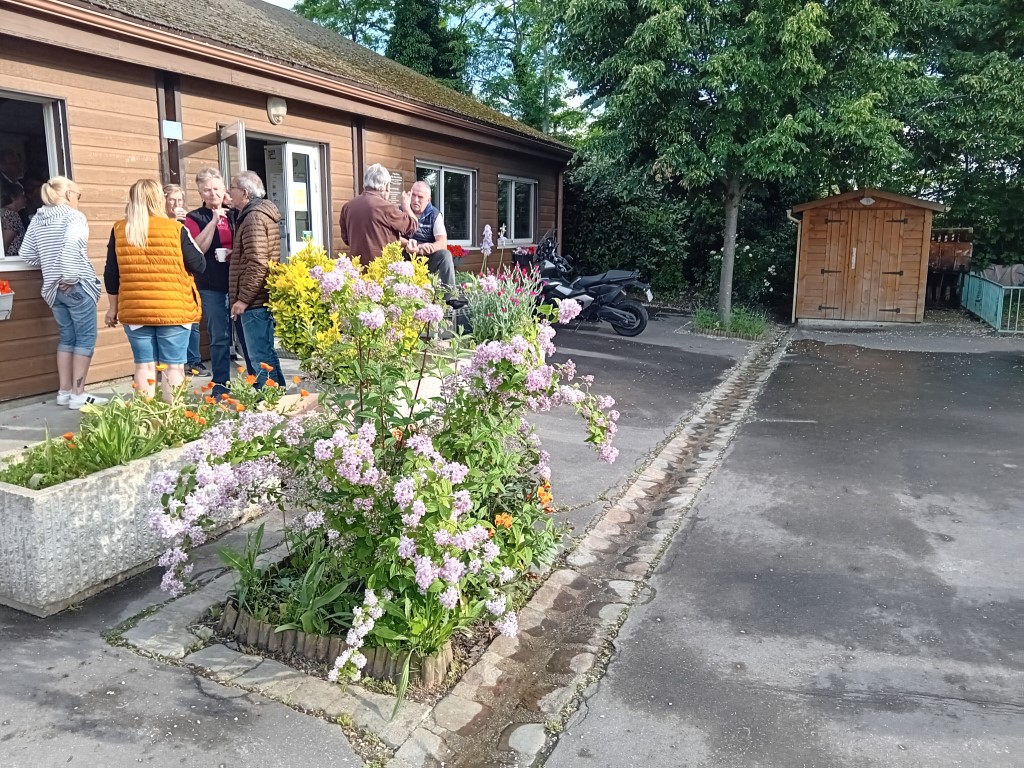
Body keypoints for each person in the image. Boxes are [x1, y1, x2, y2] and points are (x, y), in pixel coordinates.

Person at [104, 178, 206, 401]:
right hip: (174, 309)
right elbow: (199, 264)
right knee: (173, 368)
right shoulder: (175, 228)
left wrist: (112, 308)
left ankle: (147, 420)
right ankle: (172, 420)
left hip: (136, 310)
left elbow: (112, 273)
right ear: (159, 199)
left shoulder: (120, 229)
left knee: (144, 367)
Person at [17, 175, 108, 410]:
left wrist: (50, 263)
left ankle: (64, 391)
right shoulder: (73, 217)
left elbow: (26, 254)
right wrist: (68, 275)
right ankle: (79, 393)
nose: (78, 199)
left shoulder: (37, 220)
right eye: (78, 195)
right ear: (68, 195)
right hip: (75, 286)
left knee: (67, 338)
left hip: (52, 290)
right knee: (85, 338)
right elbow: (70, 245)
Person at [183, 168, 244, 392]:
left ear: (224, 189)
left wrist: (232, 253)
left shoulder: (236, 214)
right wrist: (213, 221)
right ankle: (221, 383)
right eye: (207, 190)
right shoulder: (194, 217)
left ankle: (257, 381)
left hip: (238, 283)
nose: (212, 194)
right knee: (219, 336)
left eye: (216, 189)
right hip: (211, 285)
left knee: (245, 336)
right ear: (200, 193)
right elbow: (197, 249)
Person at [228, 170, 284, 388]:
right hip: (258, 298)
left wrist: (243, 299)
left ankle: (268, 405)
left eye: (232, 188)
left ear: (244, 192)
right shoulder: (254, 214)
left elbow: (258, 262)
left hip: (254, 301)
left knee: (259, 357)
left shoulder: (253, 218)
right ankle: (279, 400)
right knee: (265, 354)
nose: (228, 192)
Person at [164, 183, 207, 377]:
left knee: (193, 322)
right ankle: (180, 364)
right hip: (169, 283)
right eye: (172, 199)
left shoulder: (185, 223)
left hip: (187, 279)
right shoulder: (162, 224)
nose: (176, 204)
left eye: (180, 200)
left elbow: (194, 252)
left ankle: (193, 361)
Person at [339, 163, 417, 261]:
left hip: (358, 269)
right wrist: (406, 206)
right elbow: (413, 226)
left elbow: (346, 239)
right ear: (386, 186)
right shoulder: (387, 208)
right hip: (383, 269)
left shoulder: (347, 207)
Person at [401, 180, 458, 301]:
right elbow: (392, 236)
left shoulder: (435, 215)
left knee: (445, 254)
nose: (415, 200)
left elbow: (442, 243)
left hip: (426, 260)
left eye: (420, 197)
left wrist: (427, 247)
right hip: (404, 259)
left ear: (429, 199)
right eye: (413, 195)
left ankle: (450, 299)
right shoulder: (401, 210)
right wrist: (408, 244)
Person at [2, 182, 26, 257]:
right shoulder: (11, 215)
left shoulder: (3, 212)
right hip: (11, 263)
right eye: (22, 195)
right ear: (13, 197)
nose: (25, 198)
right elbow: (5, 245)